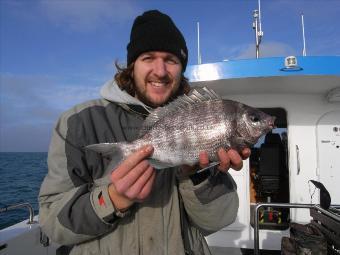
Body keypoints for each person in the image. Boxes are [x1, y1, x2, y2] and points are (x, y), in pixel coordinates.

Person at [39, 10, 250, 255]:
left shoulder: (203, 121)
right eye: (148, 57)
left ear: (181, 67)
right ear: (132, 65)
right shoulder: (79, 122)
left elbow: (218, 221)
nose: (160, 71)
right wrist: (113, 198)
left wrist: (196, 175)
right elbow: (52, 223)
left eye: (171, 60)